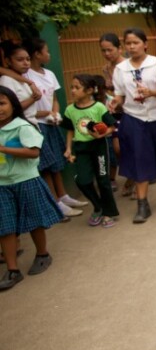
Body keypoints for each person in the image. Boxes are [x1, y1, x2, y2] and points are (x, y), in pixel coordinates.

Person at [108, 28, 156, 223]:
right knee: (139, 158)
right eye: (128, 43)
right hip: (134, 118)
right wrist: (116, 102)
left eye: (135, 42)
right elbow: (119, 93)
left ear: (145, 44)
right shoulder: (121, 69)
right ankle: (142, 204)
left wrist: (152, 93)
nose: (131, 47)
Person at [0, 87, 63, 290]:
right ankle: (12, 269)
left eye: (2, 103)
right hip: (2, 184)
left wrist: (3, 149)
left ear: (12, 105)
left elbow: (33, 152)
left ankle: (42, 254)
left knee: (35, 220)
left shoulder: (22, 126)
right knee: (5, 227)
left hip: (26, 180)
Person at [25, 38, 90, 218]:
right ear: (37, 54)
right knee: (47, 167)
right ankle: (55, 203)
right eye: (46, 50)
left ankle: (63, 196)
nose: (49, 54)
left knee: (57, 164)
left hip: (51, 123)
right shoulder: (26, 76)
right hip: (37, 125)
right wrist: (45, 114)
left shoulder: (49, 74)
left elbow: (53, 97)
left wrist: (55, 112)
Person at [61, 74, 119, 228]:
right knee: (82, 180)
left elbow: (112, 126)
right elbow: (70, 130)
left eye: (77, 87)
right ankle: (98, 206)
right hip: (81, 149)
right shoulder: (69, 110)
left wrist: (101, 133)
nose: (73, 90)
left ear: (89, 91)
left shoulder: (99, 107)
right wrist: (68, 149)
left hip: (98, 147)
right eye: (71, 87)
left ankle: (109, 212)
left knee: (103, 181)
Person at [100, 33, 126, 193]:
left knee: (128, 147)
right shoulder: (106, 68)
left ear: (119, 48)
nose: (107, 54)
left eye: (110, 50)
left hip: (131, 111)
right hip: (115, 112)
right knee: (117, 148)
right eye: (103, 51)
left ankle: (134, 180)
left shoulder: (127, 66)